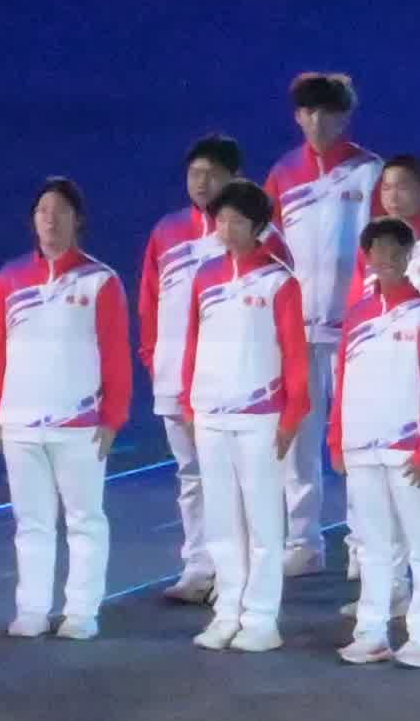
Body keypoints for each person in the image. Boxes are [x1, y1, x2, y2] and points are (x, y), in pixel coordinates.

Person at [0, 179, 133, 641]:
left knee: (84, 520)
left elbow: (115, 354)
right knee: (32, 523)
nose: (50, 219)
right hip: (21, 424)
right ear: (33, 220)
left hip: (80, 425)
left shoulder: (99, 281)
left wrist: (114, 417)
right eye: (43, 211)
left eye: (60, 211)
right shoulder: (9, 279)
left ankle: (81, 612)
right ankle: (31, 609)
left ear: (77, 220)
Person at [173, 179, 308, 650]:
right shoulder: (206, 277)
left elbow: (295, 354)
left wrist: (292, 415)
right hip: (211, 414)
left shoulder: (278, 282)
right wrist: (190, 403)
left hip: (259, 416)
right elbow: (193, 344)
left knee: (263, 521)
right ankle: (226, 611)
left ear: (259, 226)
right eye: (222, 220)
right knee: (222, 519)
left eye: (238, 221)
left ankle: (262, 619)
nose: (227, 229)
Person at [329, 215, 420, 666]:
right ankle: (371, 632)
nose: (386, 258)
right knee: (373, 545)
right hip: (362, 448)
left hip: (409, 450)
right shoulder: (357, 317)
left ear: (409, 257)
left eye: (396, 251)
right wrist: (337, 440)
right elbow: (344, 383)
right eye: (378, 251)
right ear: (367, 258)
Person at [263, 72, 387, 568]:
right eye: (309, 111)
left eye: (328, 112)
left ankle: (363, 545)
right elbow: (269, 250)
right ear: (297, 117)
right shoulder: (283, 174)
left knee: (355, 435)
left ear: (345, 117)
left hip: (354, 325)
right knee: (298, 436)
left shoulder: (369, 171)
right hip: (298, 327)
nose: (317, 121)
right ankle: (303, 542)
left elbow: (385, 246)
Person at [142, 136, 252, 621]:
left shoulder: (251, 235)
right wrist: (154, 356)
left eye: (211, 174)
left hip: (226, 380)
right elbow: (150, 300)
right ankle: (198, 566)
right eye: (194, 174)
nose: (202, 183)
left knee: (231, 476)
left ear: (234, 178)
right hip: (173, 375)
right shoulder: (168, 232)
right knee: (191, 475)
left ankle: (236, 570)